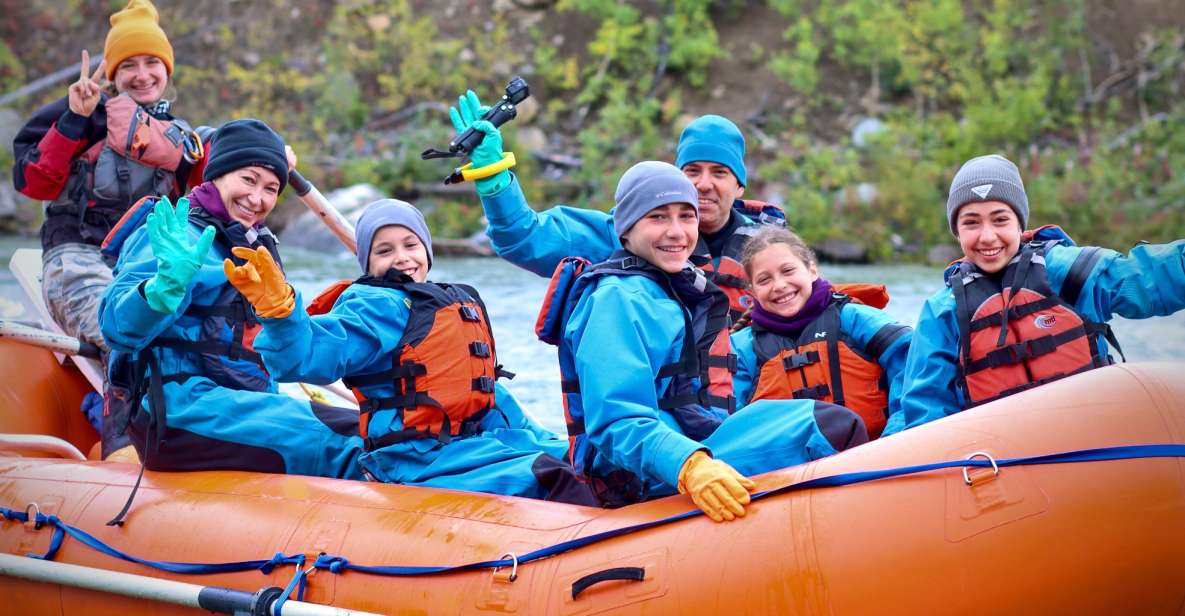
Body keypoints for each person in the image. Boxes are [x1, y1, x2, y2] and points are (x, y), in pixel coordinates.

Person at [547, 161, 868, 521]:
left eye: (686, 217)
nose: (676, 232)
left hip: (693, 437)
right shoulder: (616, 300)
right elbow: (616, 423)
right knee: (829, 428)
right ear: (625, 228)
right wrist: (690, 466)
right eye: (658, 218)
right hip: (646, 473)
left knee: (831, 417)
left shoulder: (668, 287)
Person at [227, 199, 597, 503]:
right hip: (412, 460)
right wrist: (283, 316)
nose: (403, 258)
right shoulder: (372, 305)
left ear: (427, 251)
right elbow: (306, 358)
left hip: (470, 446)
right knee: (558, 477)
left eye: (411, 245)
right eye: (384, 250)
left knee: (580, 460)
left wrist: (547, 440)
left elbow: (485, 396)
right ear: (369, 264)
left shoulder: (449, 302)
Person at [98, 119, 363, 480]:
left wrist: (285, 316)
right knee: (346, 440)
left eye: (271, 188)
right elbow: (116, 330)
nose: (258, 199)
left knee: (370, 428)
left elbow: (289, 364)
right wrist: (161, 290)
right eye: (248, 180)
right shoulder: (175, 233)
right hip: (177, 410)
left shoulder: (257, 248)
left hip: (244, 405)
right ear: (217, 174)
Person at [890, 154, 1185, 433]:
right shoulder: (943, 310)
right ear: (956, 232)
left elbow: (1147, 279)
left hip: (1089, 440)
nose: (987, 236)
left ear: (1020, 223)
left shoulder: (1063, 270)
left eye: (1000, 219)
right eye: (971, 223)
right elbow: (926, 409)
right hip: (999, 463)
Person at [446, 89, 781, 318]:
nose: (704, 184)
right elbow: (524, 237)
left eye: (719, 173)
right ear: (676, 179)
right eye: (692, 171)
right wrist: (493, 177)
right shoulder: (623, 235)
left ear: (739, 187)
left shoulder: (772, 250)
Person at [12, 0, 206, 352]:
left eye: (152, 63)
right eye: (128, 65)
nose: (142, 74)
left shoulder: (181, 137)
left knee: (196, 345)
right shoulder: (81, 112)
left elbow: (211, 196)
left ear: (167, 70)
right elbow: (32, 183)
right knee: (131, 340)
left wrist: (271, 156)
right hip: (76, 258)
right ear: (113, 74)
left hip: (147, 269)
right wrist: (73, 120)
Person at [730, 227, 912, 439]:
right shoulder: (742, 348)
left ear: (812, 271)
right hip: (788, 467)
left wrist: (893, 437)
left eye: (788, 271)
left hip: (876, 455)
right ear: (751, 291)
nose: (779, 285)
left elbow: (912, 366)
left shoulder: (853, 319)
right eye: (764, 280)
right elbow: (731, 421)